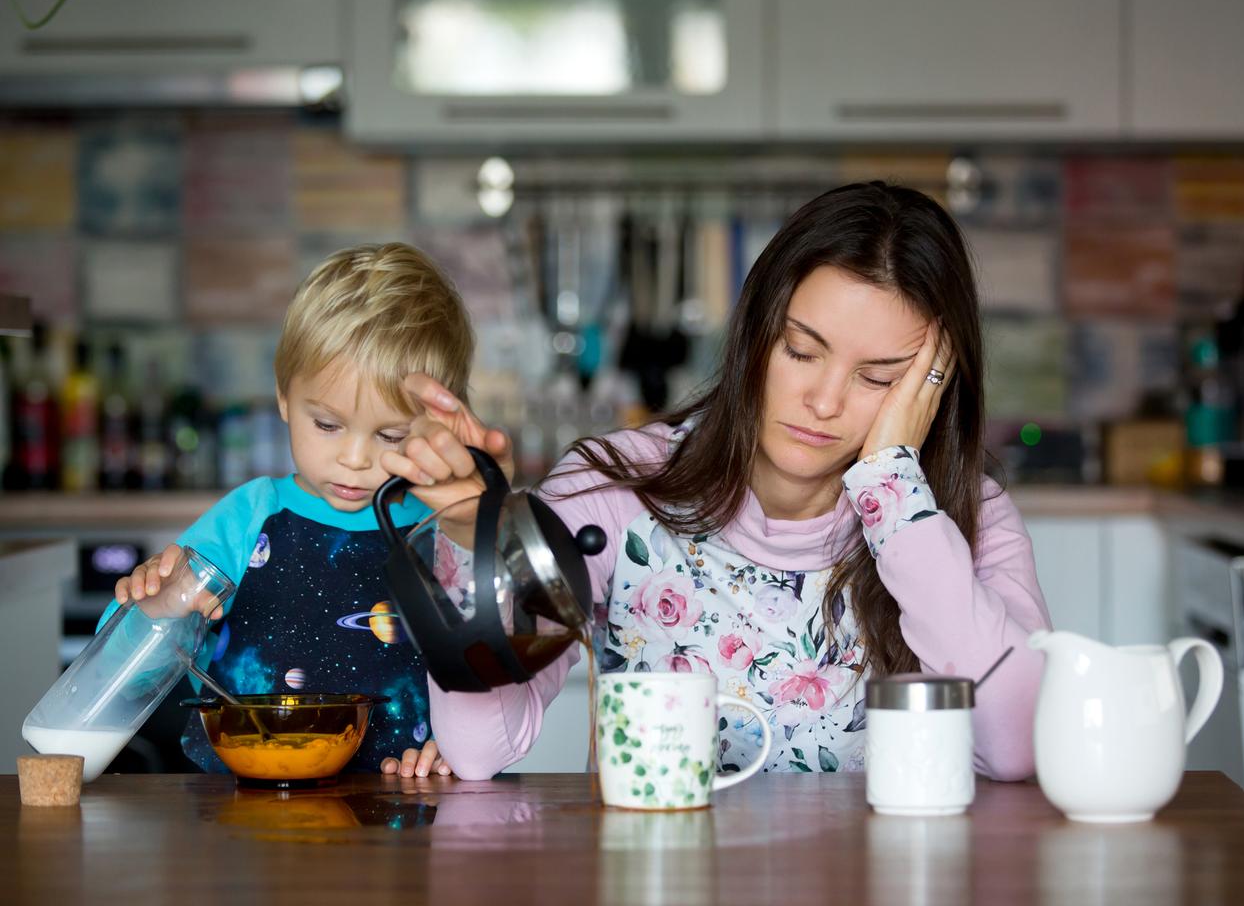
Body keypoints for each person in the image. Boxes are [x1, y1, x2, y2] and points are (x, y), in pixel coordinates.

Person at [385, 182, 1052, 781]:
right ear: (754, 335)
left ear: (930, 389)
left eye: (878, 379)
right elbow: (481, 750)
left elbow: (1016, 745)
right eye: (800, 350)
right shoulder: (613, 490)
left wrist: (893, 494)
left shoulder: (958, 517)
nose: (824, 401)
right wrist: (475, 545)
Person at [108, 242, 472, 777]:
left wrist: (454, 748)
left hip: (393, 822)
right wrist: (157, 607)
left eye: (391, 435)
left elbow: (484, 681)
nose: (353, 460)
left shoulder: (442, 529)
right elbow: (120, 673)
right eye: (327, 424)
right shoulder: (249, 517)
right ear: (283, 395)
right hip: (238, 822)